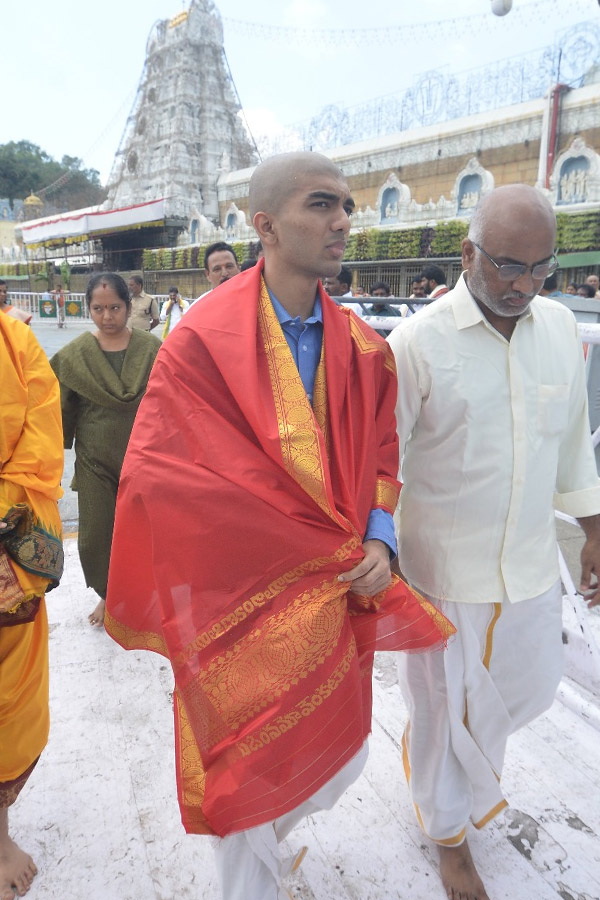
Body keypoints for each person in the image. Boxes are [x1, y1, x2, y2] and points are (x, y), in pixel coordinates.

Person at [104, 151, 453, 900]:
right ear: (264, 225)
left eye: (348, 206)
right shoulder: (199, 341)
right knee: (238, 769)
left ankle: (265, 852)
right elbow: (162, 477)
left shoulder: (365, 350)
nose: (343, 223)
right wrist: (261, 537)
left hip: (335, 589)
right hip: (237, 595)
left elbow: (384, 456)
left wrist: (380, 538)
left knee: (344, 754)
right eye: (322, 205)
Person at [387, 183, 600, 900]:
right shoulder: (416, 342)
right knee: (448, 712)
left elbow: (572, 442)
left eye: (543, 268)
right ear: (468, 253)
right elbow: (381, 461)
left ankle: (453, 783)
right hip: (442, 571)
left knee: (519, 694)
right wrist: (374, 551)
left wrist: (594, 528)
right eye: (509, 265)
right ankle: (449, 837)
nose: (525, 285)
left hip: (533, 567)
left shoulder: (558, 330)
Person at [50, 273, 161, 627]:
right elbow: (57, 411)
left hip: (145, 457)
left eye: (114, 307)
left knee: (146, 530)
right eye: (98, 309)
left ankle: (146, 590)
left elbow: (171, 400)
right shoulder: (73, 357)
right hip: (96, 459)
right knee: (96, 535)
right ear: (88, 309)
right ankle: (109, 595)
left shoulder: (152, 350)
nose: (107, 316)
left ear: (129, 307)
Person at [0, 312, 63, 900]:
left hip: (3, 550)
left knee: (6, 705)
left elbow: (41, 451)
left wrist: (10, 548)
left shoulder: (16, 343)